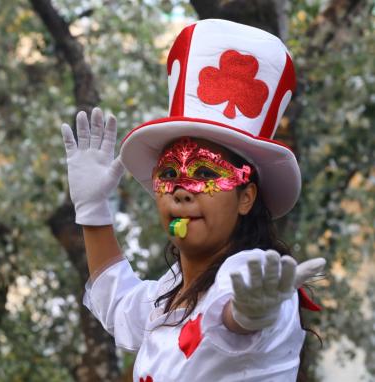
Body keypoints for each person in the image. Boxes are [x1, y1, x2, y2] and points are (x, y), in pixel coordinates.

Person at [61, 19, 325, 381]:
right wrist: (92, 210)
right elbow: (118, 299)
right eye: (169, 174)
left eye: (204, 174)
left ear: (245, 197)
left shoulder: (253, 277)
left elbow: (230, 317)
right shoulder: (169, 295)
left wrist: (250, 314)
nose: (182, 190)